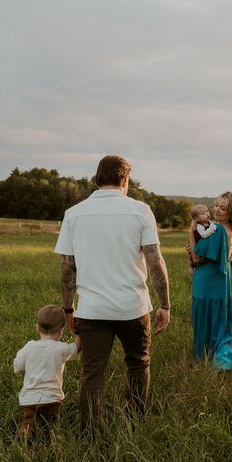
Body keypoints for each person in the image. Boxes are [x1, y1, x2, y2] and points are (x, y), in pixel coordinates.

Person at [54, 155, 170, 434]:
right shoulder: (141, 211)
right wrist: (165, 304)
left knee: (92, 373)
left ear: (98, 177)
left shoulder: (74, 213)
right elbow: (155, 261)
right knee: (137, 365)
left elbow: (68, 266)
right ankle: (134, 423)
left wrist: (68, 309)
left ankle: (92, 433)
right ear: (125, 180)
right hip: (133, 307)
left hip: (92, 310)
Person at [188, 191, 232, 370]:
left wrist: (191, 232)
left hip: (208, 283)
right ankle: (214, 353)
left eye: (223, 208)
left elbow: (196, 258)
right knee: (220, 323)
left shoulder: (218, 230)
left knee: (206, 319)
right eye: (216, 205)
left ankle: (207, 356)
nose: (217, 210)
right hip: (222, 286)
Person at [14, 305, 81, 443]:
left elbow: (17, 367)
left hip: (29, 398)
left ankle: (27, 434)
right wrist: (78, 335)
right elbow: (76, 349)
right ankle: (50, 441)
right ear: (62, 331)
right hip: (51, 398)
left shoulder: (28, 347)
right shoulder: (61, 348)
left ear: (37, 327)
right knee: (49, 425)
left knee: (29, 421)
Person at [188, 204, 217, 275]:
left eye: (207, 211)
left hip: (203, 246)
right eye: (203, 213)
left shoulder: (208, 222)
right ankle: (191, 268)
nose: (207, 213)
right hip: (197, 245)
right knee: (194, 260)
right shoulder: (199, 226)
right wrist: (212, 229)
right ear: (197, 219)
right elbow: (204, 235)